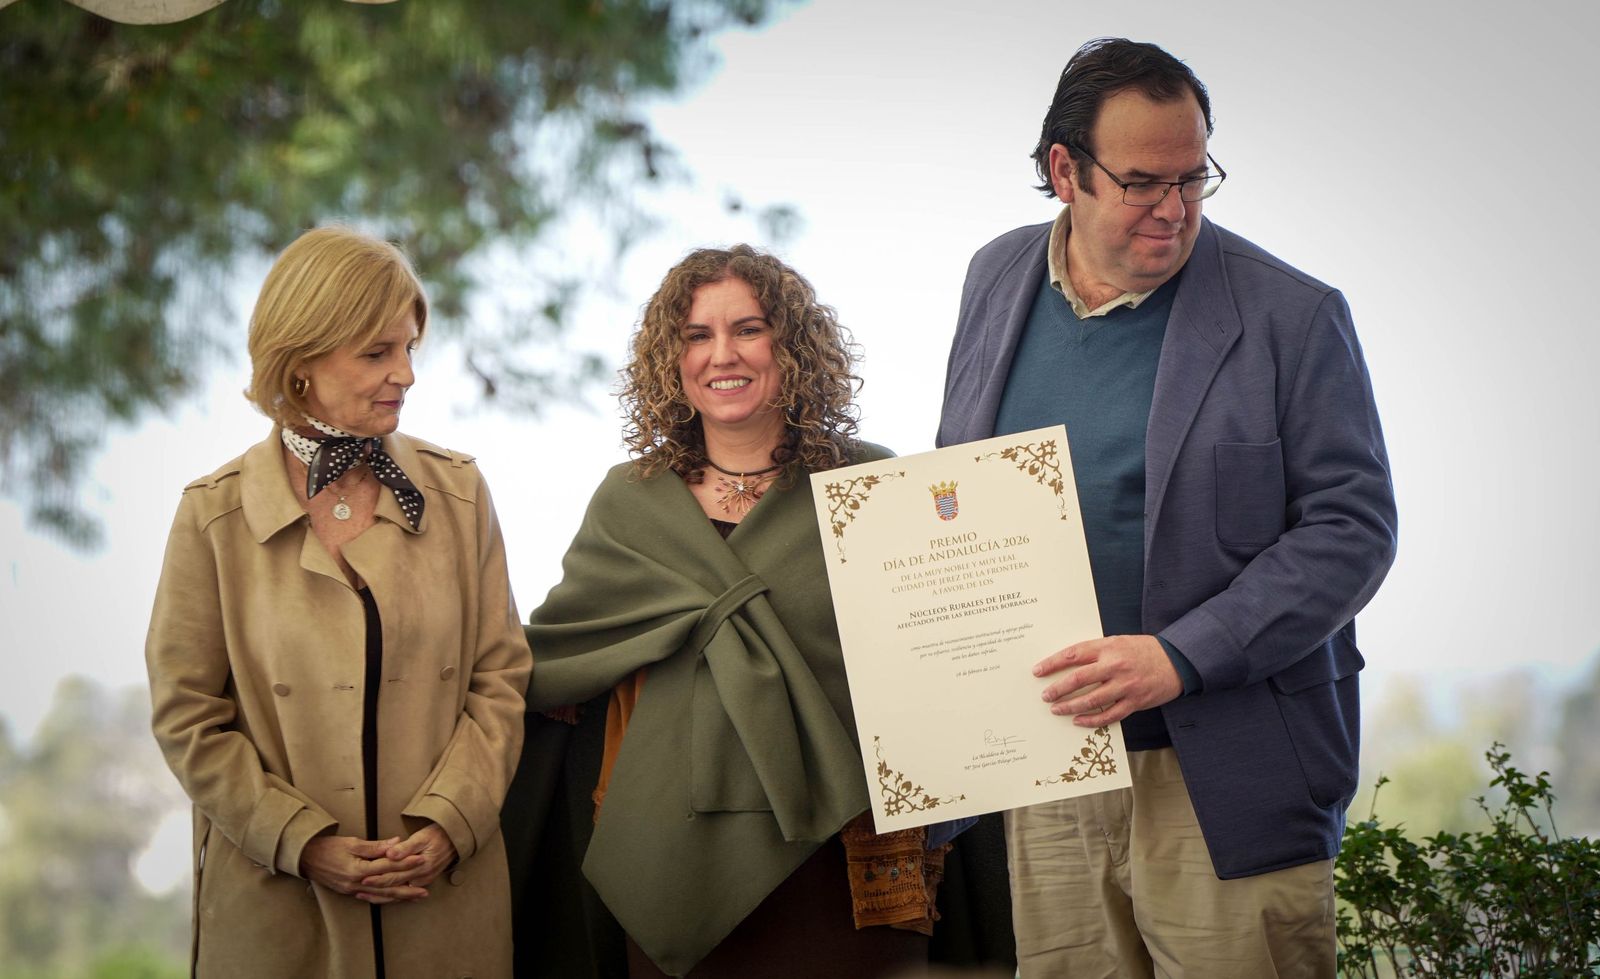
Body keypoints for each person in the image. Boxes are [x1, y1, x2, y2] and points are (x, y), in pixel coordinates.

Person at [936, 38, 1398, 977]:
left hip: (1233, 772)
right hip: (1049, 761)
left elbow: (1353, 531)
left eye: (1195, 178)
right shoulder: (995, 277)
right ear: (1065, 170)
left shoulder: (1295, 316)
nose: (1175, 209)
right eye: (1146, 182)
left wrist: (1179, 658)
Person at [507, 245, 953, 978]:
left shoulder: (869, 484)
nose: (723, 354)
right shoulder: (629, 502)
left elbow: (940, 649)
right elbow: (561, 655)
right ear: (671, 358)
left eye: (748, 328)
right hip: (666, 848)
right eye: (696, 335)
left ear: (793, 345)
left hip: (840, 854)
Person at [145, 226, 532, 978]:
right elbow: (188, 716)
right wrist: (302, 842)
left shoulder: (458, 494)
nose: (407, 374)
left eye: (410, 348)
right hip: (277, 910)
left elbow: (501, 678)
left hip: (444, 899)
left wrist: (451, 820)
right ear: (301, 364)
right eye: (378, 352)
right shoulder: (213, 516)